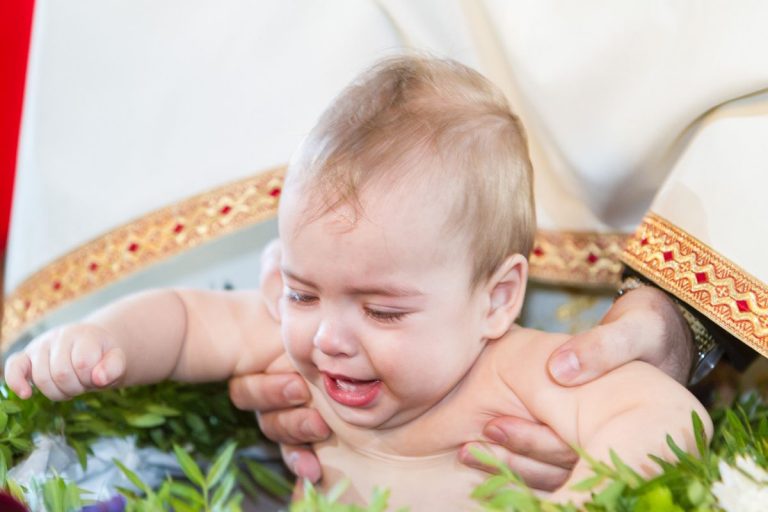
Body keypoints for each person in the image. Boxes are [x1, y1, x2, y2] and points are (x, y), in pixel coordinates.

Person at [4, 56, 711, 509]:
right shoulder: (301, 349)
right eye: (304, 291)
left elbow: (672, 417)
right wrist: (103, 340)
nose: (329, 337)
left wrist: (585, 498)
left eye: (384, 311)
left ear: (496, 299)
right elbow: (190, 321)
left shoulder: (519, 376)